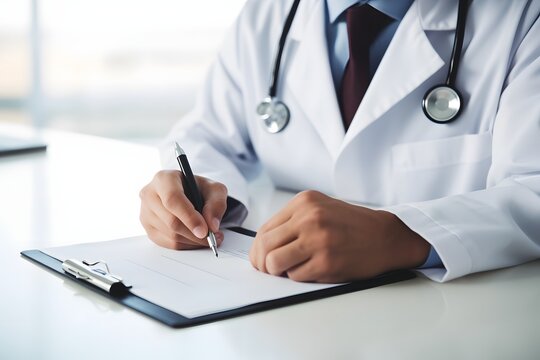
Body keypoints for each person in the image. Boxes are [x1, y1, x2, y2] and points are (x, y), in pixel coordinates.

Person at [139, 0, 540, 283]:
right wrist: (197, 196)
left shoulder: (523, 16)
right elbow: (207, 136)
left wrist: (401, 234)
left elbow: (534, 189)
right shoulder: (269, 12)